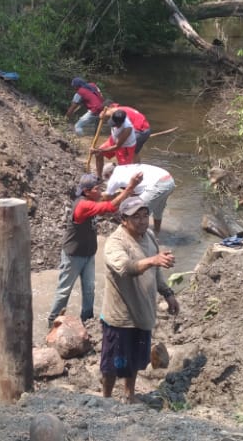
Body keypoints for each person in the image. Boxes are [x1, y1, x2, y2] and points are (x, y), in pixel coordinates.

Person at [100, 196, 180, 403]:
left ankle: (129, 394)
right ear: (123, 220)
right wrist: (153, 259)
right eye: (136, 217)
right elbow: (126, 268)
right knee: (112, 363)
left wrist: (168, 293)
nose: (143, 221)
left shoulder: (150, 236)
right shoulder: (115, 243)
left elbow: (155, 272)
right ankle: (105, 399)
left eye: (145, 215)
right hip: (121, 317)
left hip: (144, 313)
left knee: (135, 360)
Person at [47, 171, 143, 328]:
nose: (100, 192)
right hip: (73, 255)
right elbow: (110, 207)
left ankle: (88, 320)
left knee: (89, 289)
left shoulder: (89, 199)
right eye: (97, 189)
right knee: (64, 290)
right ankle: (52, 322)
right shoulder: (83, 205)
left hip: (88, 253)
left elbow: (106, 199)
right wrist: (130, 187)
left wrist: (127, 190)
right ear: (86, 191)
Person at [102, 162, 176, 234]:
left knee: (137, 213)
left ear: (108, 174)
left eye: (107, 178)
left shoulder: (113, 177)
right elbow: (135, 194)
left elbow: (107, 198)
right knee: (158, 210)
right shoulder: (124, 168)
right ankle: (157, 232)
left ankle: (139, 239)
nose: (108, 181)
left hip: (159, 184)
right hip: (169, 180)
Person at [90, 109, 137, 179]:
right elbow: (106, 112)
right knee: (98, 154)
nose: (114, 126)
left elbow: (117, 147)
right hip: (113, 139)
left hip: (125, 147)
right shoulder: (114, 113)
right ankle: (99, 177)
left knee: (124, 169)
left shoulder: (127, 128)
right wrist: (102, 115)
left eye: (116, 125)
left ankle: (124, 184)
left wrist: (98, 150)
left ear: (121, 123)